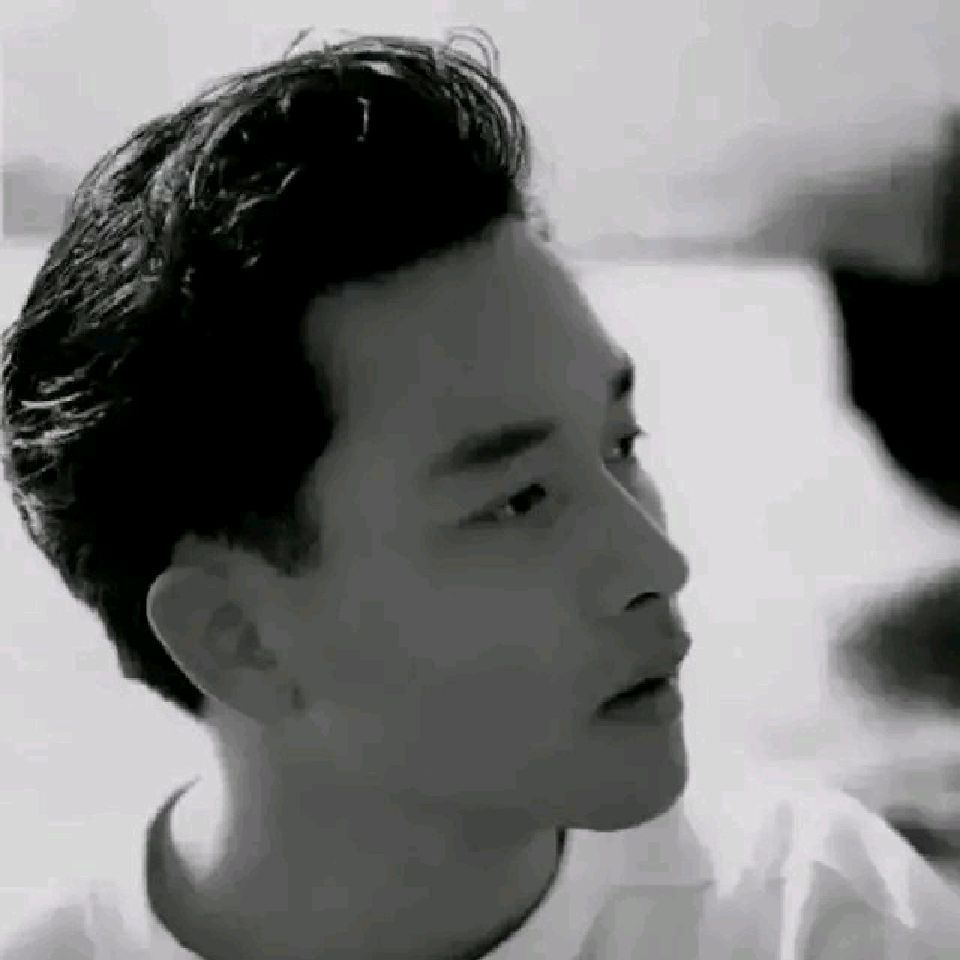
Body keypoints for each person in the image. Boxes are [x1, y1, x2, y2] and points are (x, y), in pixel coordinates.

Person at [2, 27, 960, 960]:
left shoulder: (823, 923)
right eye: (519, 501)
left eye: (621, 445)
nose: (656, 562)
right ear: (237, 638)